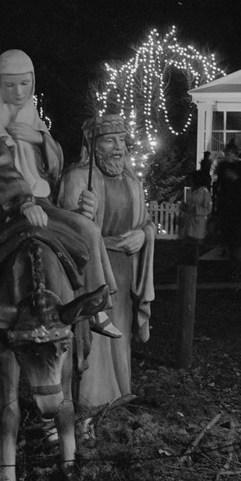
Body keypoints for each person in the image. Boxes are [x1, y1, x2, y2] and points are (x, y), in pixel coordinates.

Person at [0, 49, 120, 338]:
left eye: (24, 84)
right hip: (8, 204)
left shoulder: (33, 118)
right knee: (83, 228)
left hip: (41, 200)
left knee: (88, 229)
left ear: (33, 83)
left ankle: (98, 303)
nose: (18, 91)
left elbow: (54, 166)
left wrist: (38, 138)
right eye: (9, 85)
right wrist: (24, 202)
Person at [58, 113, 156, 407]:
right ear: (92, 145)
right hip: (92, 273)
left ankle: (118, 395)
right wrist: (81, 217)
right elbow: (64, 230)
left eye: (122, 140)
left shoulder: (132, 182)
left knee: (120, 334)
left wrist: (143, 236)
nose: (118, 147)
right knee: (94, 338)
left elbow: (148, 222)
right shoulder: (77, 178)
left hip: (125, 271)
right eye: (109, 140)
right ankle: (90, 401)